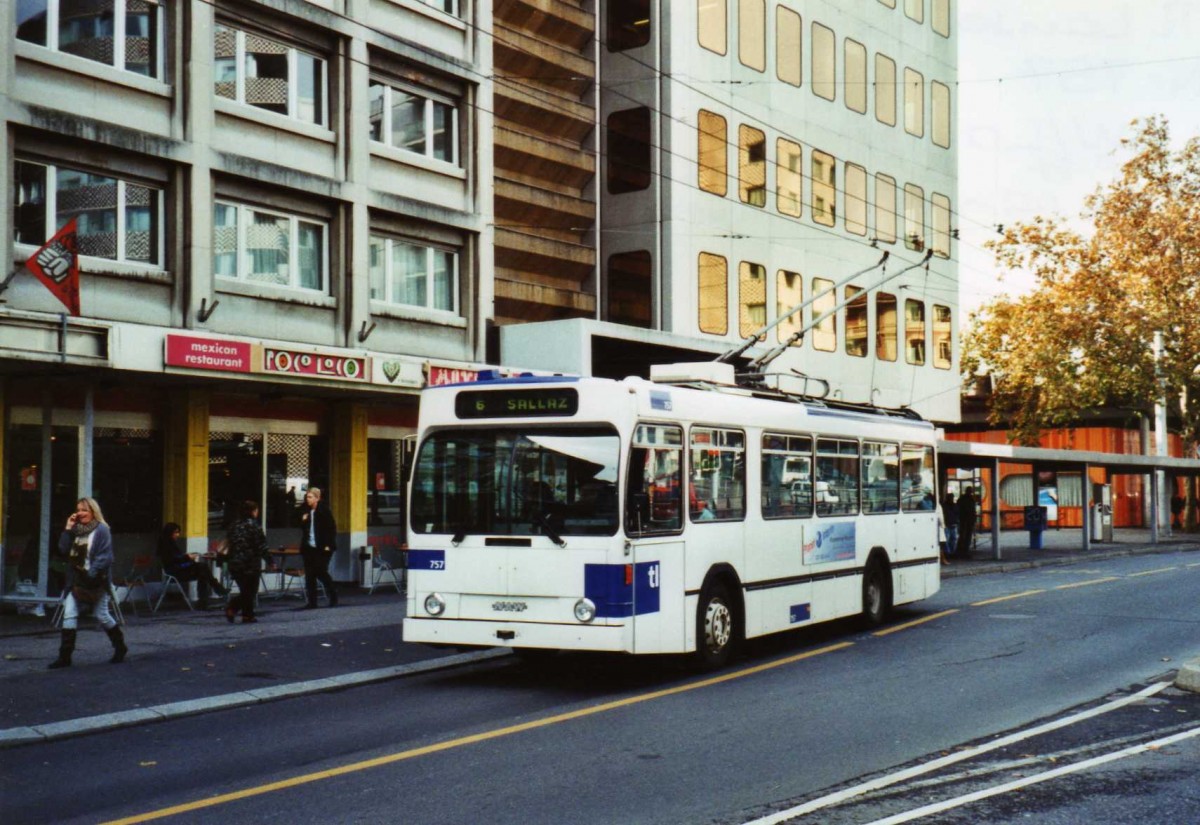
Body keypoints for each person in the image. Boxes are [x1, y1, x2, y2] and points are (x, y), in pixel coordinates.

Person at [48, 497, 127, 668]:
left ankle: (120, 647)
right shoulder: (75, 530)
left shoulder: (102, 530)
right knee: (69, 613)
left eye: (84, 510)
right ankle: (65, 657)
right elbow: (63, 549)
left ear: (93, 511)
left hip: (96, 580)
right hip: (75, 580)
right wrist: (68, 529)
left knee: (102, 615)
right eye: (78, 509)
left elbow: (105, 557)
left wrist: (90, 575)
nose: (80, 513)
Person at [157, 522, 227, 609]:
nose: (178, 535)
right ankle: (216, 590)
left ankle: (205, 600)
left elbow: (178, 558)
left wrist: (188, 557)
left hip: (178, 569)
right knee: (202, 568)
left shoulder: (170, 544)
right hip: (175, 572)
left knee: (203, 572)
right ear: (169, 533)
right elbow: (174, 560)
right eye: (176, 532)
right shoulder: (167, 546)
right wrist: (188, 557)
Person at [225, 500, 270, 624]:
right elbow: (261, 546)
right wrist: (270, 561)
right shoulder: (254, 526)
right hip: (249, 563)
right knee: (250, 590)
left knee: (245, 590)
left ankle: (244, 614)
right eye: (256, 510)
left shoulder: (233, 525)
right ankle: (238, 610)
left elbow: (230, 542)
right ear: (253, 512)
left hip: (234, 562)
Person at [299, 487, 338, 609]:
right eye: (307, 497)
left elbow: (331, 529)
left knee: (321, 572)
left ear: (317, 498)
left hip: (322, 547)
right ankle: (312, 602)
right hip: (309, 547)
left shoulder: (324, 511)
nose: (307, 499)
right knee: (310, 575)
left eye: (310, 497)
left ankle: (333, 596)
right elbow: (302, 527)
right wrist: (303, 520)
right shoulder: (306, 511)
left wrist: (328, 545)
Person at [956, 486, 977, 558]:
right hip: (965, 520)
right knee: (964, 536)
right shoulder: (965, 499)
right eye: (970, 491)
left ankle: (964, 551)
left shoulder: (968, 499)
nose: (971, 492)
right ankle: (962, 551)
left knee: (966, 536)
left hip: (968, 520)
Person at [941, 492, 959, 561]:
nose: (951, 499)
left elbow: (957, 513)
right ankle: (948, 553)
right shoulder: (946, 506)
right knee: (948, 539)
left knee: (953, 539)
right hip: (948, 524)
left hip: (952, 524)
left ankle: (950, 553)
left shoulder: (950, 506)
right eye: (950, 497)